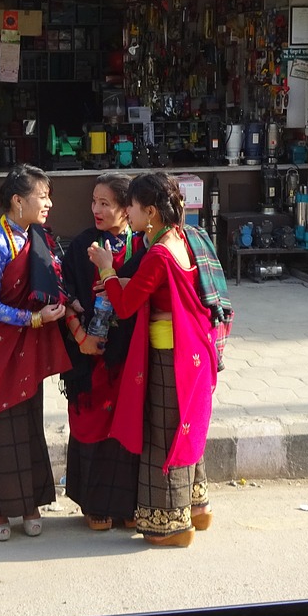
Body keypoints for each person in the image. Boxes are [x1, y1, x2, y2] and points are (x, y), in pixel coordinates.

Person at [87, 172, 218, 548]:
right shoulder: (183, 237)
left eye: (131, 206)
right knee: (185, 426)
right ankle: (197, 506)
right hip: (193, 349)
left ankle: (171, 526)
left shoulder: (158, 253)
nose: (127, 211)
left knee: (162, 436)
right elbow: (163, 287)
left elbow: (126, 308)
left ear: (150, 211)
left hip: (168, 354)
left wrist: (107, 268)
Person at [0, 164, 69, 542]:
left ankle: (29, 503)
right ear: (17, 200)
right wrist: (36, 319)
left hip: (23, 351)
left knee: (27, 425)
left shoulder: (32, 236)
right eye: (42, 196)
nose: (48, 203)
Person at [58, 172, 146, 531]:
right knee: (93, 422)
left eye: (105, 203)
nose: (96, 209)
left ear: (127, 209)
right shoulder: (80, 247)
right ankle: (95, 504)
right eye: (94, 201)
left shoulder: (141, 247)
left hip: (128, 353)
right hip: (90, 355)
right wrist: (81, 338)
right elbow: (63, 300)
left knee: (125, 424)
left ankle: (126, 504)